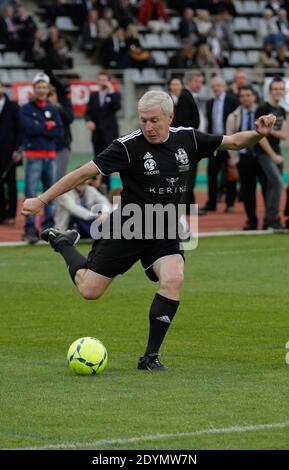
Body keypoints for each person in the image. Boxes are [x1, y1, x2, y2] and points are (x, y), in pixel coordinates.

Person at [21, 90, 276, 371]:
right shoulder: (128, 146)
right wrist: (42, 199)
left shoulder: (188, 138)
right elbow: (83, 173)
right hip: (129, 226)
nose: (149, 127)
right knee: (89, 290)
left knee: (174, 278)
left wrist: (258, 134)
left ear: (170, 117)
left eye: (155, 120)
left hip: (164, 226)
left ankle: (150, 357)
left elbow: (234, 141)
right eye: (143, 121)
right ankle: (64, 242)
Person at [21, 72, 64, 243]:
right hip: (34, 156)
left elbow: (59, 131)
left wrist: (41, 126)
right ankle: (30, 229)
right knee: (31, 192)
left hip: (50, 156)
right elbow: (29, 128)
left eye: (44, 87)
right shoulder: (26, 109)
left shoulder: (52, 108)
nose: (41, 90)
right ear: (34, 89)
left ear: (48, 89)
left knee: (50, 193)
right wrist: (48, 126)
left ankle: (48, 228)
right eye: (38, 87)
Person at [226, 85, 266, 230]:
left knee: (267, 189)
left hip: (262, 157)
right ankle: (252, 220)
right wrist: (234, 159)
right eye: (242, 96)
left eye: (248, 95)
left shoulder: (263, 113)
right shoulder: (233, 116)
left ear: (254, 97)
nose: (245, 98)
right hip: (244, 158)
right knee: (248, 192)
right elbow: (229, 137)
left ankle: (269, 219)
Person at [255, 76, 288, 229]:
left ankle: (269, 219)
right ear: (270, 90)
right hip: (263, 152)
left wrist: (270, 130)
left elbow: (284, 134)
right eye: (275, 88)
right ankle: (272, 217)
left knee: (272, 185)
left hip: (277, 150)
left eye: (281, 88)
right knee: (277, 182)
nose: (278, 91)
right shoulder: (263, 108)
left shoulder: (282, 110)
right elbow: (260, 136)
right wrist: (273, 155)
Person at [85, 70, 121, 192]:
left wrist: (111, 91)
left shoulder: (114, 94)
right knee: (97, 159)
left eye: (104, 80)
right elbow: (88, 112)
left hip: (109, 134)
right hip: (97, 134)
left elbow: (117, 106)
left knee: (109, 160)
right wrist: (89, 121)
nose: (102, 82)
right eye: (100, 79)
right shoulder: (93, 95)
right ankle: (98, 187)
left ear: (109, 81)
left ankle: (107, 188)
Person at [0, 80, 22, 225]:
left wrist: (18, 149)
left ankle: (12, 215)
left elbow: (20, 129)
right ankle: (1, 214)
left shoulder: (13, 106)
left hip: (10, 153)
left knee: (11, 183)